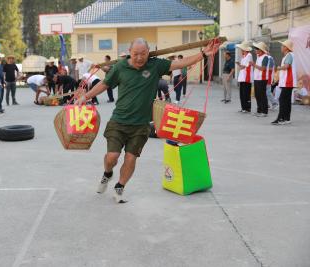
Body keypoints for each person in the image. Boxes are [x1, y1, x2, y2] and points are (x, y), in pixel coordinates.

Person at [76, 38, 219, 203]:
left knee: (131, 158)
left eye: (143, 54)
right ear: (130, 52)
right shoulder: (120, 67)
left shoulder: (155, 65)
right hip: (119, 121)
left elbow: (180, 63)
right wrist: (86, 97)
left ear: (148, 52)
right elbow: (104, 84)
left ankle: (120, 186)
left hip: (141, 126)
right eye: (135, 54)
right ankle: (107, 173)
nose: (139, 57)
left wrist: (203, 54)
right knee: (112, 157)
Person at [272, 40, 297, 125]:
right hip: (287, 82)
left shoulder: (289, 55)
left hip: (288, 82)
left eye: (282, 46)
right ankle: (286, 118)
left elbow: (286, 66)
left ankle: (281, 118)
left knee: (282, 100)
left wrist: (278, 68)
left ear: (286, 48)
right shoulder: (287, 56)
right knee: (286, 101)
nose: (281, 47)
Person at [251, 42, 269, 117]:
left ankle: (264, 111)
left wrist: (254, 65)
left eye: (257, 49)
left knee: (262, 95)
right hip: (257, 78)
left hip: (262, 79)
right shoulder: (259, 57)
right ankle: (259, 110)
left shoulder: (265, 57)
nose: (255, 50)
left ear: (261, 50)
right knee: (257, 95)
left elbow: (263, 68)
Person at [235, 42, 253, 113]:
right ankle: (243, 107)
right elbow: (242, 67)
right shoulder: (243, 56)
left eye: (241, 49)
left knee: (246, 94)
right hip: (242, 77)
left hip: (246, 78)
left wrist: (238, 64)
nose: (241, 50)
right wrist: (240, 64)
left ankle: (247, 108)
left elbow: (244, 66)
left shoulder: (249, 55)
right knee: (242, 93)